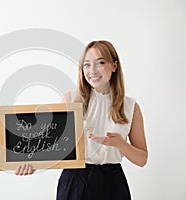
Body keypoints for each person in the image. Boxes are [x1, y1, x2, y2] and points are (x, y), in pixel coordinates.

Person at [15, 40, 148, 200]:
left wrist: (120, 143)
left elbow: (142, 159)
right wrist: (31, 164)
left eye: (100, 63)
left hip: (113, 182)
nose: (92, 70)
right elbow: (51, 145)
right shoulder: (71, 99)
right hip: (75, 181)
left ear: (114, 66)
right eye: (86, 65)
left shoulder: (130, 106)